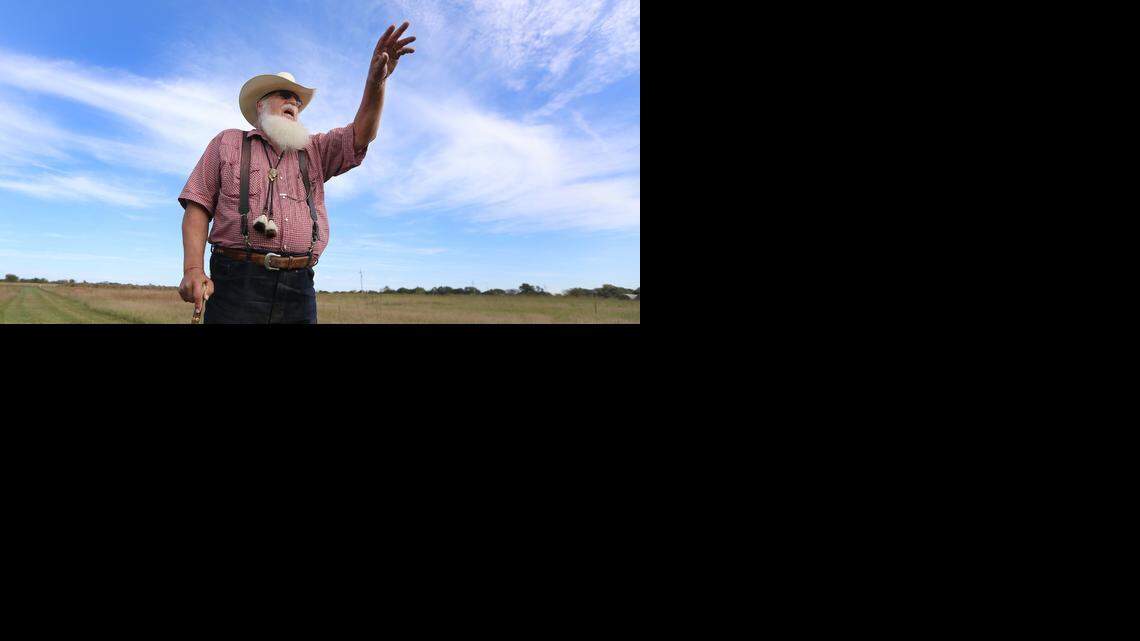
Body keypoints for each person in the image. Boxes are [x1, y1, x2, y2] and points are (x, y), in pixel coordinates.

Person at [176, 22, 416, 323]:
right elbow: (197, 205)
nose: (294, 102)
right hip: (236, 283)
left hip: (300, 287)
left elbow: (361, 135)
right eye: (284, 95)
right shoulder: (228, 142)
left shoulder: (314, 150)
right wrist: (193, 270)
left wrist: (375, 82)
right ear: (261, 106)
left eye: (297, 100)